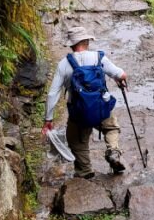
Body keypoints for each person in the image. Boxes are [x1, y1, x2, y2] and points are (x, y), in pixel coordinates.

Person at [42, 26, 128, 179]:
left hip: (79, 112)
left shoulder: (64, 64)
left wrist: (48, 119)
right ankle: (113, 152)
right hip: (101, 107)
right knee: (111, 127)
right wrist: (118, 79)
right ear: (86, 41)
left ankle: (85, 170)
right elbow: (121, 74)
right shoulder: (99, 57)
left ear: (71, 44)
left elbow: (52, 93)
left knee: (76, 140)